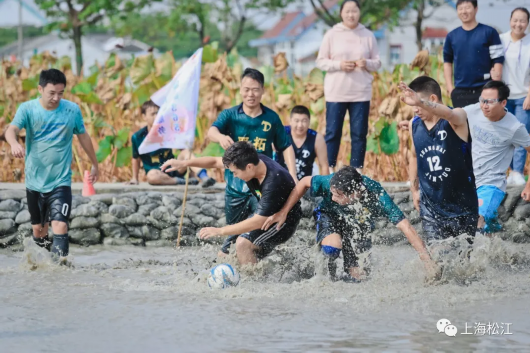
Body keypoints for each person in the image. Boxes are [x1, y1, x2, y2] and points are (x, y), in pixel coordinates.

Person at [262, 167, 440, 282]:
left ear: (354, 193)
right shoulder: (330, 182)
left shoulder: (377, 197)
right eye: (331, 193)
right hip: (330, 216)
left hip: (358, 225)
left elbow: (406, 227)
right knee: (332, 248)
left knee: (358, 277)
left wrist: (427, 260)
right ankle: (324, 277)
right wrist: (284, 212)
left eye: (337, 195)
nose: (332, 197)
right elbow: (304, 182)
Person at [399, 80, 530, 234]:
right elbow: (446, 116)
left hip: (490, 183)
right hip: (468, 181)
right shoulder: (473, 111)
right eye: (482, 100)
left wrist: (529, 184)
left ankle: (488, 235)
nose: (484, 105)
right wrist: (416, 124)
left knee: (479, 220)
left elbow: (450, 114)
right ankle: (493, 229)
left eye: (490, 102)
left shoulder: (514, 127)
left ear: (503, 103)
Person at [6, 69, 98, 259]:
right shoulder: (28, 109)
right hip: (35, 181)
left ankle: (59, 269)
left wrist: (95, 163)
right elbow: (11, 129)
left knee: (60, 225)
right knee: (39, 231)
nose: (56, 98)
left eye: (61, 93)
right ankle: (45, 270)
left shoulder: (72, 110)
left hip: (60, 181)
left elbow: (83, 137)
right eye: (52, 93)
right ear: (40, 89)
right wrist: (14, 143)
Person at [161, 142, 302, 265]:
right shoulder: (250, 160)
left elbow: (259, 221)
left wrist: (220, 231)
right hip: (265, 214)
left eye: (235, 172)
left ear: (249, 167)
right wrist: (184, 163)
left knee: (242, 244)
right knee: (224, 254)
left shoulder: (273, 182)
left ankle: (255, 285)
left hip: (282, 221)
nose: (234, 176)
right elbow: (214, 162)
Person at [206, 68, 297, 256]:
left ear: (263, 90)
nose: (251, 94)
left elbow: (285, 146)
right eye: (246, 89)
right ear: (240, 89)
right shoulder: (230, 115)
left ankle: (256, 265)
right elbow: (211, 132)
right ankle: (232, 266)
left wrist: (293, 175)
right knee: (232, 235)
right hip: (236, 186)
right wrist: (220, 137)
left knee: (255, 231)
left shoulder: (271, 118)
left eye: (255, 89)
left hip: (262, 185)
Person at [400, 77, 478, 245]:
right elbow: (414, 156)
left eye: (418, 105)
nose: (415, 110)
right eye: (413, 106)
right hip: (431, 208)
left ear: (432, 99)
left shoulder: (457, 118)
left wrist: (420, 101)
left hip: (462, 207)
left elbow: (449, 114)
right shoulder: (415, 125)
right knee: (437, 259)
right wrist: (414, 190)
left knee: (463, 264)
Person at [316, 0, 381, 172]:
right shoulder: (331, 34)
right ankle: (329, 170)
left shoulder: (368, 35)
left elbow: (377, 62)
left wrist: (366, 62)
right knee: (333, 133)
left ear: (359, 13)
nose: (351, 15)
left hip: (361, 92)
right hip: (336, 92)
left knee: (359, 134)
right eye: (347, 11)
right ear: (341, 13)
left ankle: (356, 171)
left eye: (354, 11)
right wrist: (339, 65)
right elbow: (321, 61)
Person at [127, 100, 216, 187]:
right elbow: (136, 159)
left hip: (174, 169)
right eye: (152, 114)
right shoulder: (138, 137)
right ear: (144, 117)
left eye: (158, 113)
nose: (156, 116)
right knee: (151, 176)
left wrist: (192, 174)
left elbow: (184, 152)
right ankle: (178, 181)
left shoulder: (167, 130)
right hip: (157, 173)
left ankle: (204, 176)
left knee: (186, 153)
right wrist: (134, 178)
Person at [443, 0, 504, 108]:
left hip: (485, 89)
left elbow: (498, 60)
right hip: (460, 91)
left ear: (476, 9)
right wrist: (450, 88)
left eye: (467, 7)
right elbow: (447, 62)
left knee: (486, 124)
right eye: (460, 9)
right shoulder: (451, 36)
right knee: (463, 124)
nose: (464, 11)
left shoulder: (489, 32)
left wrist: (495, 87)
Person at [501, 7, 530, 186]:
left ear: (527, 23)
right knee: (505, 136)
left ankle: (518, 172)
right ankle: (509, 171)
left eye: (522, 21)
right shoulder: (500, 40)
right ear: (510, 20)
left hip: (523, 97)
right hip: (503, 97)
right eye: (515, 20)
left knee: (521, 134)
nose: (518, 24)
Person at [275, 105, 329, 180]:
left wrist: (325, 188)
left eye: (304, 121)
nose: (300, 125)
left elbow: (324, 166)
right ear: (290, 121)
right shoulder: (281, 133)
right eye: (296, 121)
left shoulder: (317, 138)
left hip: (305, 184)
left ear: (309, 122)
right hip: (280, 180)